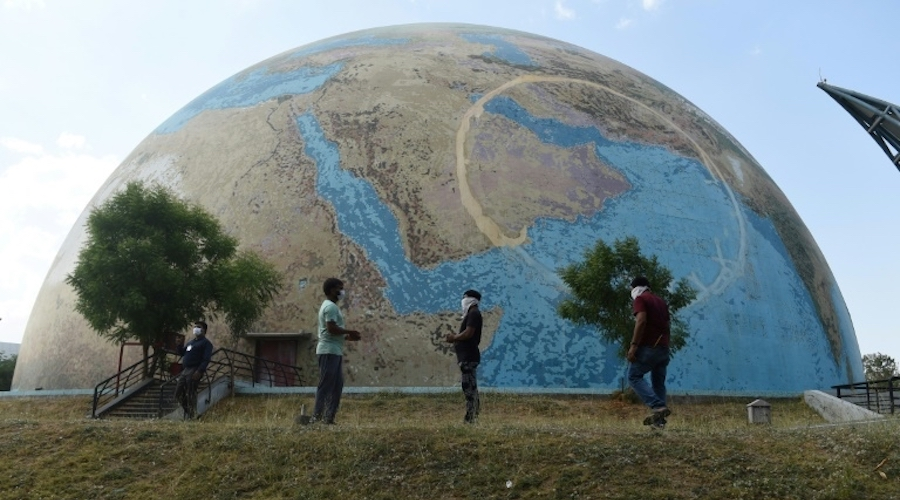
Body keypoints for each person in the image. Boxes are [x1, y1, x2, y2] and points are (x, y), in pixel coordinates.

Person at [312, 277, 361, 425]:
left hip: (334, 350)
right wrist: (350, 331)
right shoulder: (330, 307)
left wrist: (346, 337)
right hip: (328, 351)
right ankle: (317, 417)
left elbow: (331, 332)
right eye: (340, 288)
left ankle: (328, 418)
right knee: (326, 384)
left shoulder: (331, 306)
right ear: (332, 290)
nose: (342, 291)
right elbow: (331, 328)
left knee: (336, 385)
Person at [626, 276, 672, 429]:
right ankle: (659, 423)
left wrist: (633, 346)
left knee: (633, 376)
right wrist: (666, 345)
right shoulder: (661, 302)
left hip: (648, 347)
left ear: (636, 287)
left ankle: (657, 406)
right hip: (663, 348)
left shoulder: (640, 299)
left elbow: (641, 321)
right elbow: (667, 325)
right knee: (658, 383)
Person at [445, 289, 483, 423]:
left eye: (465, 298)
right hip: (466, 357)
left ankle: (471, 417)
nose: (463, 301)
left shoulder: (474, 314)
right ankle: (473, 415)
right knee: (469, 386)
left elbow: (468, 333)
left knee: (469, 387)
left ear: (472, 300)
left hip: (469, 357)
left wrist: (454, 337)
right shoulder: (471, 314)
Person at [175, 320, 214, 419]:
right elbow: (182, 353)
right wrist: (179, 345)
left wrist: (200, 371)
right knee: (178, 393)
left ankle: (193, 415)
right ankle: (190, 412)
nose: (196, 328)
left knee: (191, 392)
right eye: (195, 326)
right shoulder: (191, 342)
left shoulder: (206, 343)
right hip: (185, 370)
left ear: (204, 330)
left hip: (195, 369)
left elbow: (206, 359)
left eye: (199, 327)